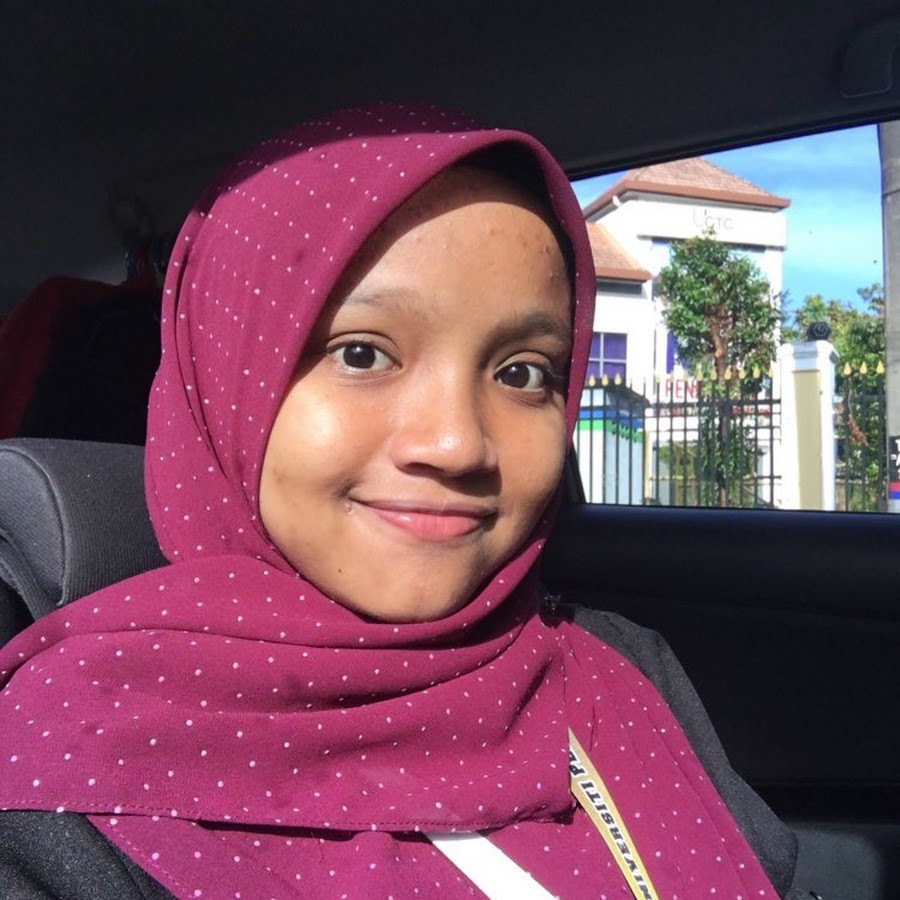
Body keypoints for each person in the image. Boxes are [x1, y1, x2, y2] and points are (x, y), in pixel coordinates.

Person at [0, 103, 801, 898]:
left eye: (522, 372)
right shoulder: (59, 778)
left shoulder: (617, 670)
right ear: (226, 385)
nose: (457, 444)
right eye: (362, 354)